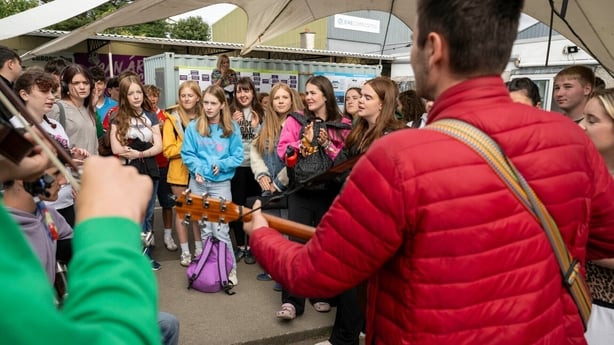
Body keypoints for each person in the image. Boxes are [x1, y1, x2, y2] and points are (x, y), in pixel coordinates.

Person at [243, 1, 614, 344]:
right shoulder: (571, 139)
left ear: (433, 48)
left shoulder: (399, 158)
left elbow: (315, 272)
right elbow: (602, 242)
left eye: (412, 41)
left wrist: (261, 234)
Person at [0, 131, 160, 344]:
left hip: (50, 309)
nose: (64, 181)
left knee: (167, 324)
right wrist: (112, 230)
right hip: (47, 320)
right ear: (21, 180)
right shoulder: (9, 238)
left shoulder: (45, 213)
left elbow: (71, 247)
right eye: (56, 173)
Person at [319, 77, 405, 345]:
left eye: (367, 97)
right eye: (359, 97)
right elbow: (341, 174)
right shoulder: (359, 131)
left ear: (383, 105)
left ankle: (344, 339)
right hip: (354, 219)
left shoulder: (394, 137)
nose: (358, 101)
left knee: (356, 286)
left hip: (376, 225)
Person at [274, 75, 351, 320]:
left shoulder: (344, 124)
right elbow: (282, 152)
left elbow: (346, 160)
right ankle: (291, 302)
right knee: (296, 245)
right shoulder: (295, 120)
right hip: (301, 190)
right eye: (306, 93)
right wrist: (302, 142)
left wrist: (327, 143)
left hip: (328, 192)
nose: (307, 97)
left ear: (326, 95)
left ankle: (320, 293)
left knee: (324, 246)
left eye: (313, 93)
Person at [180, 85, 243, 285]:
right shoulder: (193, 126)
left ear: (222, 105)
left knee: (221, 230)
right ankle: (210, 267)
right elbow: (187, 154)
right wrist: (197, 168)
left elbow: (238, 156)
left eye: (213, 103)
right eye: (205, 102)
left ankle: (230, 269)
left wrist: (222, 164)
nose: (208, 107)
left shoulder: (231, 128)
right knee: (206, 228)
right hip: (198, 184)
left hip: (221, 185)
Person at [14, 68, 90, 228]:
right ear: (24, 94)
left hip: (65, 201)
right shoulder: (13, 128)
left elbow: (60, 163)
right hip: (36, 207)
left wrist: (71, 159)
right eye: (44, 92)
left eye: (51, 91)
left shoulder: (56, 126)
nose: (51, 97)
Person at [109, 75, 163, 270]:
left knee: (147, 214)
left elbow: (159, 146)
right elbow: (116, 148)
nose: (136, 96)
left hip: (149, 169)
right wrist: (140, 152)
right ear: (124, 95)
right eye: (131, 93)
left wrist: (139, 152)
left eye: (138, 91)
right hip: (129, 172)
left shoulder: (151, 116)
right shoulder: (117, 116)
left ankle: (145, 255)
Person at [578, 88, 614, 345]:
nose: (581, 127)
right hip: (580, 302)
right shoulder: (579, 173)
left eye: (592, 120)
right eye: (583, 118)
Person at [163, 80, 204, 266]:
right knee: (182, 213)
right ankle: (185, 252)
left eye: (190, 95)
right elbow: (168, 150)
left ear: (197, 97)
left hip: (199, 173)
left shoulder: (204, 117)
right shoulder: (171, 119)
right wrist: (189, 144)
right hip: (179, 174)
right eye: (183, 95)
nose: (186, 99)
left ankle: (200, 249)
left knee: (196, 213)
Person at [229, 77, 263, 265]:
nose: (243, 95)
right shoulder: (230, 113)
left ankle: (252, 246)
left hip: (257, 167)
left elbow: (263, 139)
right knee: (238, 207)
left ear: (252, 93)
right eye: (239, 91)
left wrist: (255, 126)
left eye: (246, 90)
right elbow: (225, 139)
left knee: (254, 207)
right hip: (237, 167)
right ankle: (241, 245)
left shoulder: (261, 113)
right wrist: (233, 125)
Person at [145, 84, 177, 252]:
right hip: (148, 167)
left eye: (155, 95)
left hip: (164, 165)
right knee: (148, 207)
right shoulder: (143, 116)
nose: (152, 99)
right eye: (149, 95)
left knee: (167, 203)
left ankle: (168, 235)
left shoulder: (165, 116)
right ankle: (149, 235)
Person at [47, 63, 99, 155]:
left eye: (85, 83)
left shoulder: (87, 109)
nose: (82, 87)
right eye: (76, 83)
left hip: (91, 167)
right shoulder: (57, 109)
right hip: (69, 167)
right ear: (65, 86)